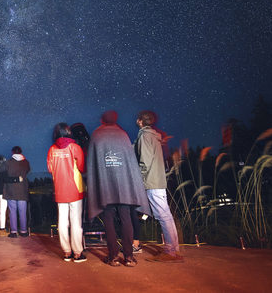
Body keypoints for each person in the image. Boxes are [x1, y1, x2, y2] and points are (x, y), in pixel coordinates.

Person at [86, 110, 151, 267]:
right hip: (124, 186)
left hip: (105, 186)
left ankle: (113, 256)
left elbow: (92, 162)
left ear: (102, 120)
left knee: (108, 219)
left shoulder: (96, 135)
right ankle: (129, 257)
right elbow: (130, 162)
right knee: (126, 218)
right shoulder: (123, 135)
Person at [135, 110, 184, 262]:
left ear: (140, 121)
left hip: (152, 180)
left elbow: (145, 161)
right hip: (159, 179)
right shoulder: (155, 136)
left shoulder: (144, 136)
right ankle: (173, 249)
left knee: (163, 216)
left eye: (138, 119)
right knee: (166, 215)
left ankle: (170, 252)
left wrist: (141, 181)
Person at [47, 123, 87, 262]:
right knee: (76, 222)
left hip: (59, 190)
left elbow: (50, 169)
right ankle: (77, 253)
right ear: (68, 132)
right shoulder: (75, 147)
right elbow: (81, 167)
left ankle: (66, 252)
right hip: (75, 190)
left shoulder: (52, 149)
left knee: (62, 222)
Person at [3, 146, 30, 238]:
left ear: (13, 152)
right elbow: (27, 171)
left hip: (11, 190)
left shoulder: (8, 163)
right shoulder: (26, 162)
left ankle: (13, 231)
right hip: (22, 189)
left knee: (12, 211)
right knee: (23, 211)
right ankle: (24, 231)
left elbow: (5, 176)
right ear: (21, 152)